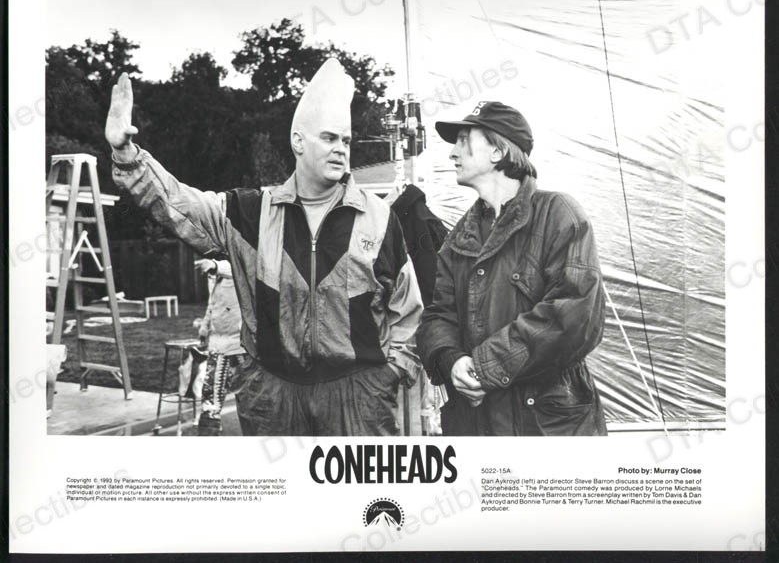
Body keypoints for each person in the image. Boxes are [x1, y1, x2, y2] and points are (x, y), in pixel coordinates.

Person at [106, 59, 423, 436]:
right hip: (273, 398)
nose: (341, 149)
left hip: (357, 399)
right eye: (329, 138)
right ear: (298, 142)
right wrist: (129, 157)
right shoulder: (251, 213)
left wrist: (390, 373)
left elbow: (407, 306)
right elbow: (180, 204)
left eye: (346, 141)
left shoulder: (379, 217)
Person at [417, 101, 608, 436]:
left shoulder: (558, 214)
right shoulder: (459, 237)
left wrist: (485, 366)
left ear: (497, 151)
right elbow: (437, 316)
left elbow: (575, 315)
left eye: (463, 140)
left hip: (546, 428)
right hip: (477, 423)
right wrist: (452, 360)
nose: (452, 153)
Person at [192, 257, 244, 436]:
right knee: (211, 396)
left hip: (240, 342)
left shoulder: (237, 264)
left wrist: (215, 265)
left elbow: (237, 268)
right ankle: (209, 433)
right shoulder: (215, 276)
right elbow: (212, 303)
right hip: (219, 343)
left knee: (250, 393)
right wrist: (204, 327)